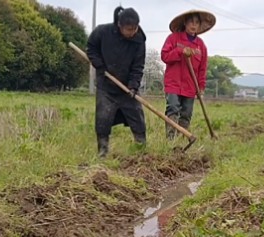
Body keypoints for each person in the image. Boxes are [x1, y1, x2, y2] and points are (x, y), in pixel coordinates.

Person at [87, 6, 147, 158]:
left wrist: (133, 86)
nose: (131, 32)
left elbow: (138, 66)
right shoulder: (102, 32)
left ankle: (141, 152)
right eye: (128, 29)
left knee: (137, 119)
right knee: (103, 120)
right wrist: (99, 65)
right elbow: (91, 48)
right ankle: (103, 153)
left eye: (134, 28)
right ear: (119, 25)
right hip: (106, 85)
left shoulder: (139, 40)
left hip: (127, 88)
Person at [161, 10, 216, 140]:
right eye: (191, 22)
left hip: (191, 86)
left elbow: (202, 69)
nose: (193, 25)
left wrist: (201, 87)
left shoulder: (201, 46)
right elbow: (164, 56)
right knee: (173, 108)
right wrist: (180, 51)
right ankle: (170, 140)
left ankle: (181, 140)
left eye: (197, 22)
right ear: (185, 23)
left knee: (186, 113)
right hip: (173, 83)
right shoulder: (173, 38)